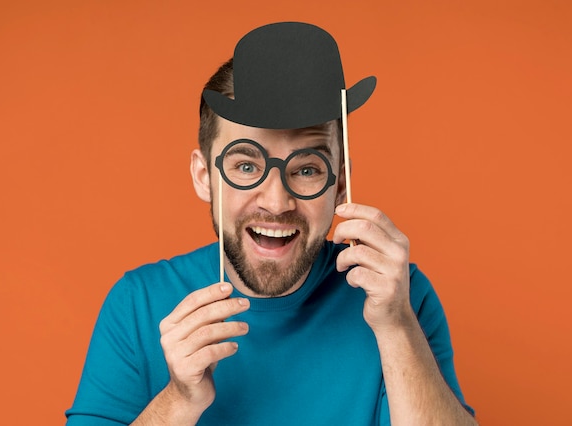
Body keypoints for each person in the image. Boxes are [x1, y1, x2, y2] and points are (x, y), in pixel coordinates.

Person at [66, 22, 476, 425]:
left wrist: (397, 326)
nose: (277, 202)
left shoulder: (399, 297)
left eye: (308, 169)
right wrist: (179, 400)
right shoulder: (137, 304)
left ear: (340, 185)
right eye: (246, 165)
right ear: (204, 176)